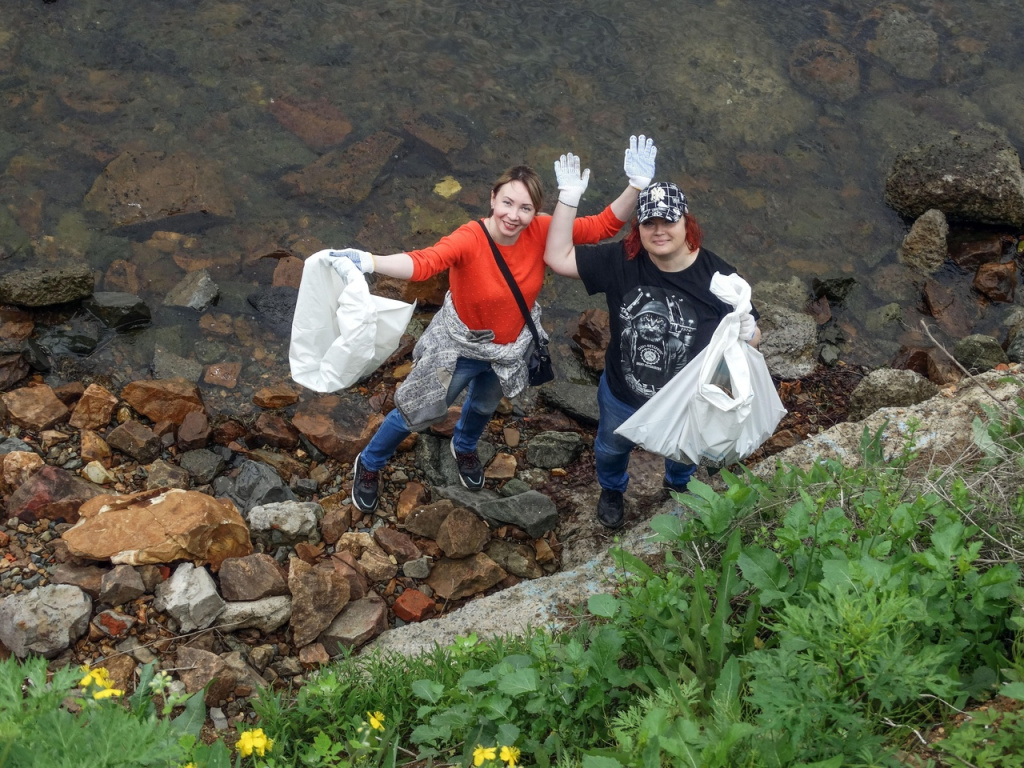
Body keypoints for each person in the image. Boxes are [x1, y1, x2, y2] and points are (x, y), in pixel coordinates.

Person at [330, 135, 658, 513]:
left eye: (525, 208)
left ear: (535, 212)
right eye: (507, 202)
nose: (513, 216)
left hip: (509, 348)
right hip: (460, 346)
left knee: (485, 403)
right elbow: (424, 262)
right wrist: (370, 261)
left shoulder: (539, 231)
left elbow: (601, 226)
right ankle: (369, 463)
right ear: (492, 198)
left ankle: (465, 446)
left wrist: (636, 187)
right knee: (414, 409)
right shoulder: (470, 238)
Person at [544, 155, 761, 530]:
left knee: (685, 455)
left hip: (687, 402)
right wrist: (568, 198)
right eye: (650, 222)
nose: (660, 230)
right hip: (621, 396)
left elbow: (753, 338)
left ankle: (678, 485)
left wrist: (747, 329)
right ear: (639, 228)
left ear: (686, 222)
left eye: (669, 220)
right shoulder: (622, 260)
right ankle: (612, 489)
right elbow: (557, 257)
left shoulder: (718, 277)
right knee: (611, 449)